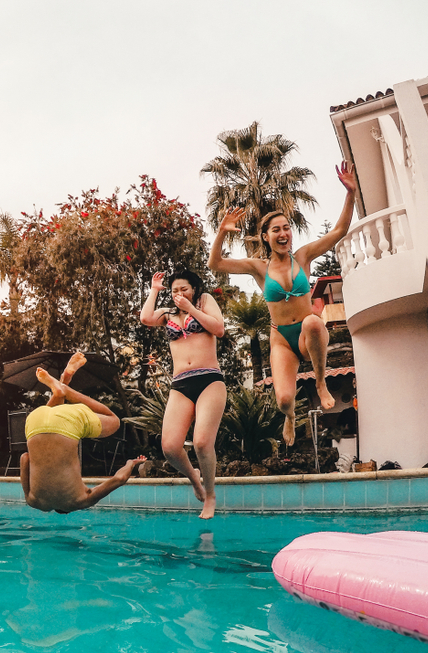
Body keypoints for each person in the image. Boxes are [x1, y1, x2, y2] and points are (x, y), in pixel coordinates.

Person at [208, 162, 357, 446]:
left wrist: (350, 193)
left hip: (307, 333)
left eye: (287, 228)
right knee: (284, 400)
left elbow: (339, 230)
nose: (283, 233)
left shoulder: (302, 257)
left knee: (313, 321)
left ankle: (321, 382)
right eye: (276, 229)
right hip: (281, 340)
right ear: (266, 236)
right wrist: (222, 231)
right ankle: (290, 418)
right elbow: (215, 263)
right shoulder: (259, 268)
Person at [140, 268, 226, 519]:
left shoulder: (204, 301)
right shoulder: (168, 315)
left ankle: (209, 496)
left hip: (209, 379)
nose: (178, 293)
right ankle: (195, 479)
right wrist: (155, 290)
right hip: (181, 383)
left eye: (183, 289)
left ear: (194, 289)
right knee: (169, 447)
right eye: (175, 290)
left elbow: (218, 329)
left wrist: (191, 308)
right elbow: (146, 318)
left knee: (201, 442)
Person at [19, 354, 146, 513]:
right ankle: (59, 389)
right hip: (34, 422)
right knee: (52, 416)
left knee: (114, 421)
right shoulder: (33, 501)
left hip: (68, 425)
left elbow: (119, 479)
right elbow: (25, 458)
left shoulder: (82, 500)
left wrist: (132, 463)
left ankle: (65, 389)